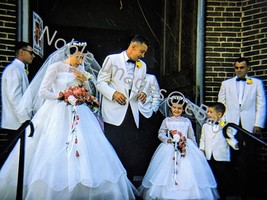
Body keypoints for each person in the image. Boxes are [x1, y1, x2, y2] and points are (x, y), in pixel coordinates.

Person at [0, 42, 136, 200]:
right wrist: (61, 95)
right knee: (55, 145)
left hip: (79, 111)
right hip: (57, 111)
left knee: (85, 147)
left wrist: (83, 83)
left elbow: (89, 90)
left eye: (82, 58)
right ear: (69, 54)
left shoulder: (80, 70)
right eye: (78, 57)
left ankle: (82, 186)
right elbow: (43, 91)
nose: (80, 61)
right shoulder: (55, 67)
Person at [138, 97, 219, 200]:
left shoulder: (187, 121)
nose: (177, 110)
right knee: (167, 169)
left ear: (183, 109)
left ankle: (187, 194)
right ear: (171, 108)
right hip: (170, 146)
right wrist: (168, 140)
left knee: (187, 169)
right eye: (174, 108)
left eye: (179, 108)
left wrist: (195, 149)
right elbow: (161, 133)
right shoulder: (166, 120)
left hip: (185, 146)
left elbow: (191, 135)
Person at [96, 35, 150, 182]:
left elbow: (144, 84)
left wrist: (144, 93)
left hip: (132, 115)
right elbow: (100, 83)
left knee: (131, 153)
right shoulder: (112, 60)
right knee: (113, 151)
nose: (143, 55)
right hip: (113, 115)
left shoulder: (142, 66)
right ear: (133, 46)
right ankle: (112, 185)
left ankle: (129, 187)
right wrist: (114, 93)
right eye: (142, 51)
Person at [218, 56, 266, 198]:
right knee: (232, 158)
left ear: (248, 68)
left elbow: (261, 104)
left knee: (249, 158)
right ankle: (233, 190)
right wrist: (223, 124)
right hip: (231, 126)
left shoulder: (256, 83)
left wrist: (258, 124)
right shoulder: (226, 84)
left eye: (242, 67)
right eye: (236, 67)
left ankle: (250, 192)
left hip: (249, 126)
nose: (239, 70)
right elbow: (221, 105)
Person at [199, 102, 234, 199]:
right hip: (209, 156)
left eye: (210, 112)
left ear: (219, 115)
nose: (207, 114)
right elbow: (203, 139)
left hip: (222, 158)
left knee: (222, 179)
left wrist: (235, 144)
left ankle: (223, 196)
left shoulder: (225, 126)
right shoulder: (205, 126)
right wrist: (201, 150)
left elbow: (230, 139)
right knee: (211, 178)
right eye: (207, 111)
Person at [1, 41, 35, 129]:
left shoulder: (18, 69)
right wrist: (25, 120)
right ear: (21, 52)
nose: (33, 56)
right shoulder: (13, 70)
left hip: (18, 123)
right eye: (31, 53)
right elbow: (14, 98)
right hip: (16, 124)